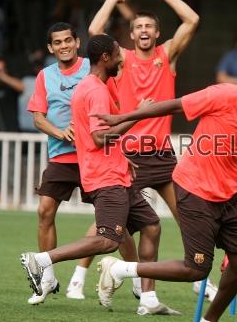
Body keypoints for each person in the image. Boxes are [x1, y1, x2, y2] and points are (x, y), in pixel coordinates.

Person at [91, 61, 237, 321]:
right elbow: (175, 105)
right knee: (197, 268)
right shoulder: (226, 95)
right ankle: (121, 269)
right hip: (196, 189)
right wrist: (125, 117)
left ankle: (208, 320)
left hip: (231, 194)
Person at [20, 34, 180, 315]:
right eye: (118, 53)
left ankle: (148, 299)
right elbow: (97, 138)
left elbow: (100, 137)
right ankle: (42, 260)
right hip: (105, 179)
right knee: (108, 240)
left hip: (116, 172)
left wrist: (122, 155)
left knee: (152, 226)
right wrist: (137, 115)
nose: (122, 58)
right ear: (106, 58)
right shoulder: (95, 91)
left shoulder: (95, 87)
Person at [87, 0, 206, 307]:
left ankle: (186, 279)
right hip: (129, 157)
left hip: (162, 155)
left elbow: (192, 20)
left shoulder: (167, 56)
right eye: (137, 26)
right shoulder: (121, 59)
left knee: (187, 216)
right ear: (130, 33)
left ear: (156, 34)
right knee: (118, 225)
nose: (143, 30)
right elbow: (96, 31)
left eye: (149, 26)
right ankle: (117, 273)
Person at [25, 24, 140, 305]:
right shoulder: (45, 76)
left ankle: (138, 279)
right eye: (57, 42)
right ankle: (46, 277)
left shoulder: (96, 67)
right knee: (44, 210)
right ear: (51, 48)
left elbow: (112, 113)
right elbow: (38, 117)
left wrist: (119, 153)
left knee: (116, 224)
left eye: (68, 40)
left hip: (95, 158)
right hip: (63, 155)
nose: (63, 46)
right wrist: (59, 132)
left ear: (77, 42)